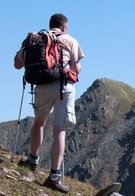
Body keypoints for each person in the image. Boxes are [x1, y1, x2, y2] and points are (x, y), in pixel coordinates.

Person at [14, 13, 84, 194]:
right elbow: (77, 69)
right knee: (59, 130)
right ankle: (54, 177)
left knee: (39, 122)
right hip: (63, 86)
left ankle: (32, 160)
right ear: (64, 26)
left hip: (42, 86)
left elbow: (17, 64)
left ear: (50, 24)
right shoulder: (70, 40)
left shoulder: (35, 39)